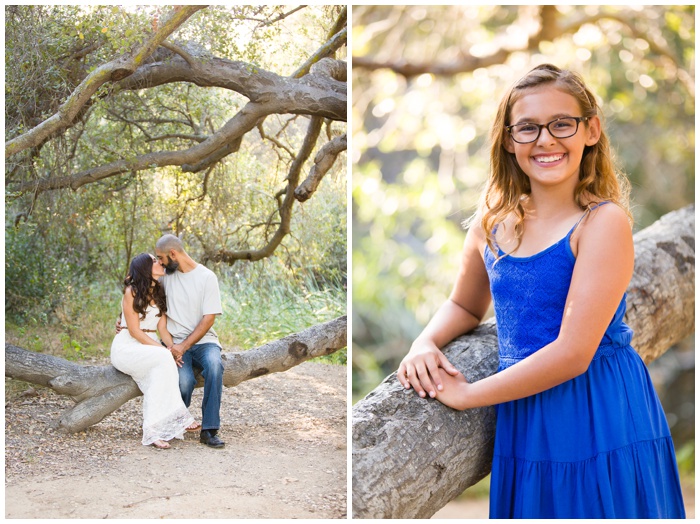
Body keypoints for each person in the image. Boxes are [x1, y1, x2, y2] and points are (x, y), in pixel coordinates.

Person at [397, 64, 685, 518]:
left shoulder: (602, 223)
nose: (545, 140)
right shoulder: (491, 224)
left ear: (590, 130)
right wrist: (424, 342)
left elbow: (573, 352)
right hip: (527, 412)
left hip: (596, 408)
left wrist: (469, 395)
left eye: (561, 124)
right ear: (509, 140)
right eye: (528, 128)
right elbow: (464, 305)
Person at [111, 253, 195, 449]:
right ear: (145, 269)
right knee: (163, 359)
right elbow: (134, 331)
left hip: (150, 346)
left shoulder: (159, 291)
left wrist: (172, 348)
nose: (160, 263)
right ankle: (182, 416)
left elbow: (163, 330)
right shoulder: (131, 292)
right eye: (155, 261)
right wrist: (165, 352)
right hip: (127, 346)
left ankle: (153, 432)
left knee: (158, 378)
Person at [155, 234, 225, 449]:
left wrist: (183, 346)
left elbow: (209, 318)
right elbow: (140, 300)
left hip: (204, 342)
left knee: (215, 365)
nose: (159, 263)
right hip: (173, 342)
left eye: (161, 258)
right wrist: (122, 323)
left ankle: (209, 430)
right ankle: (175, 423)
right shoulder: (164, 278)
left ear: (173, 254)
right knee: (185, 382)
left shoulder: (206, 277)